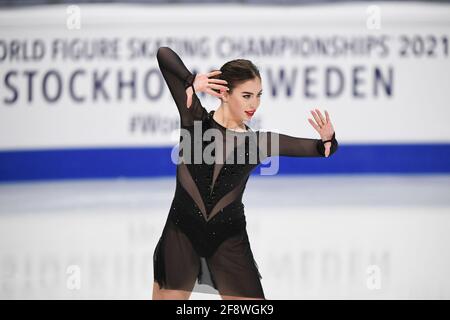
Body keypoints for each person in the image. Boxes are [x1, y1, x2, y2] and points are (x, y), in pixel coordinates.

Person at [152, 46, 338, 300]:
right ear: (224, 93)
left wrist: (328, 140)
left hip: (228, 240)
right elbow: (164, 54)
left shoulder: (259, 144)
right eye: (247, 95)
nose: (255, 104)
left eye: (259, 95)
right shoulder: (194, 119)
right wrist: (190, 79)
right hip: (181, 234)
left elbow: (320, 149)